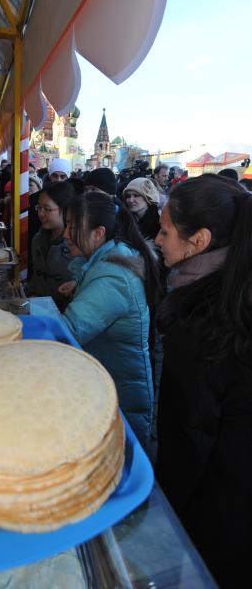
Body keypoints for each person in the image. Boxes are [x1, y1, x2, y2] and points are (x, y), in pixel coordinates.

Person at [154, 174, 252, 588]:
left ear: (199, 241)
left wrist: (163, 515)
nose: (156, 240)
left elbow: (187, 438)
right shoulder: (235, 291)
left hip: (216, 517)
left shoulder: (200, 321)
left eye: (164, 231)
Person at [60, 192, 162, 450]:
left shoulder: (113, 277)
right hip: (109, 385)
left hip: (122, 399)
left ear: (98, 233)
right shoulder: (110, 259)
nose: (65, 234)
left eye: (72, 227)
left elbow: (67, 334)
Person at [27, 181, 76, 310]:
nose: (41, 214)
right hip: (39, 310)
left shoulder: (77, 244)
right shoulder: (37, 239)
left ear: (65, 210)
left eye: (47, 209)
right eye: (39, 208)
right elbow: (35, 276)